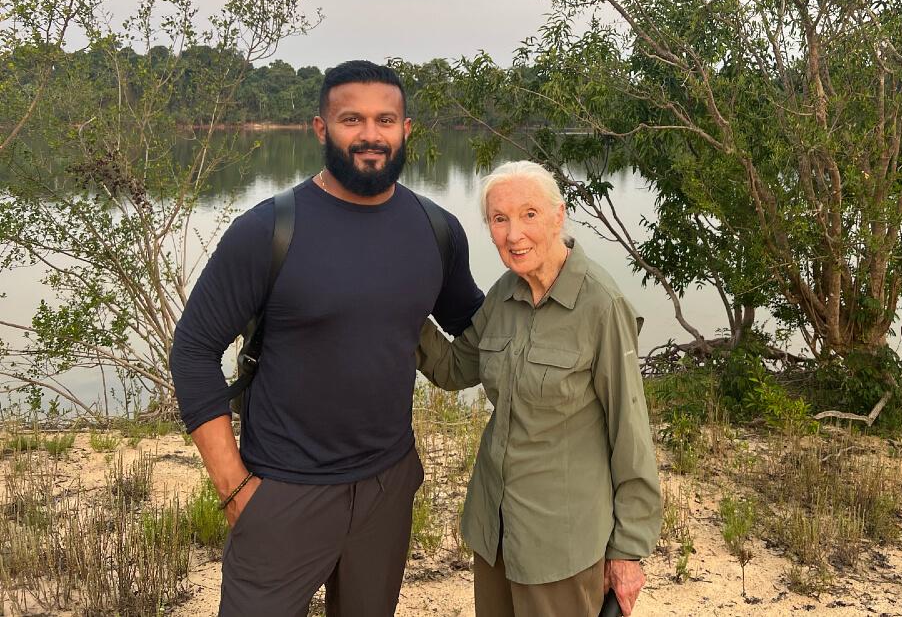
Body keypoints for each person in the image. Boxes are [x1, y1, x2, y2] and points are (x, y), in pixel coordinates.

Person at [170, 60, 484, 616]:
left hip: (387, 485)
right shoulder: (268, 230)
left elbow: (479, 327)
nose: (370, 135)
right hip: (283, 489)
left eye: (385, 120)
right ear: (321, 128)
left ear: (406, 129)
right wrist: (234, 487)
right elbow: (193, 350)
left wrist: (562, 287)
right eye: (351, 119)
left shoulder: (435, 231)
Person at [417, 160, 663, 617]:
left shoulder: (601, 305)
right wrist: (399, 308)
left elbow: (631, 434)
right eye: (499, 219)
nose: (514, 235)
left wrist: (629, 550)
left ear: (558, 216)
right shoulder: (503, 294)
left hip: (561, 544)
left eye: (529, 214)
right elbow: (454, 369)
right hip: (495, 532)